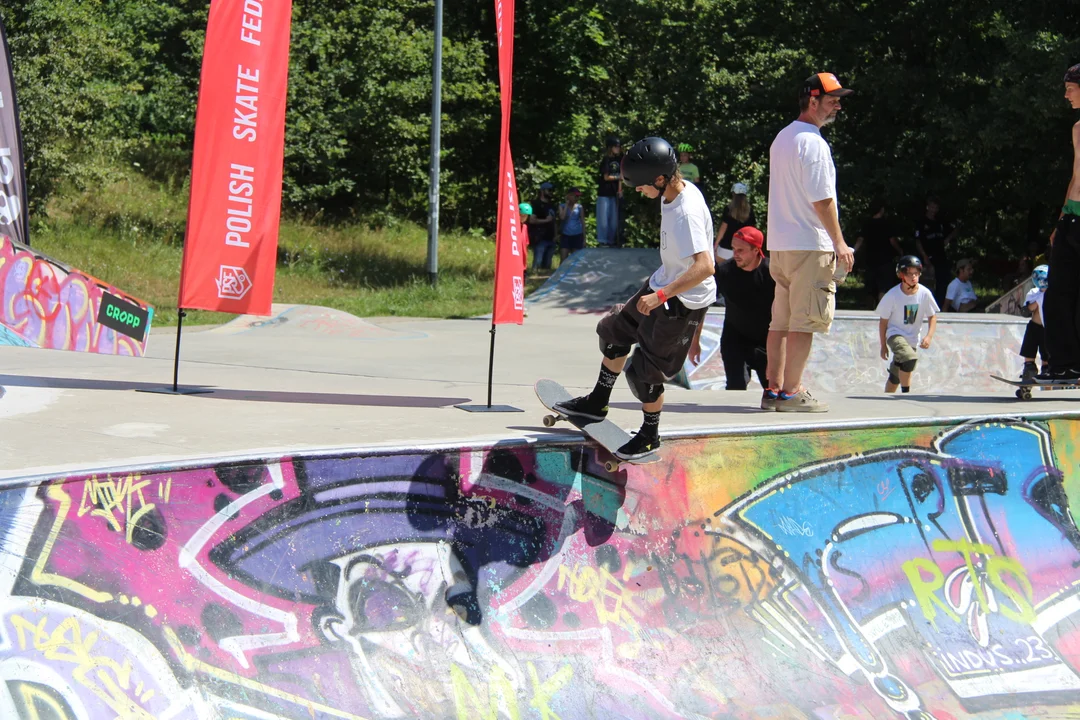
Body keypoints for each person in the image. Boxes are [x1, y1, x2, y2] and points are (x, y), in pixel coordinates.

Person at [553, 137, 715, 460]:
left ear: (658, 179)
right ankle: (597, 402)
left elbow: (706, 267)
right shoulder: (671, 193)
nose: (639, 192)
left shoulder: (687, 212)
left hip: (679, 304)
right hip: (662, 284)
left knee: (643, 373)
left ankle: (649, 434)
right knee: (615, 331)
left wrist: (662, 297)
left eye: (641, 186)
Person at [764, 72, 856, 412]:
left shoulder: (782, 138)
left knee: (781, 322)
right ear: (811, 100)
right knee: (806, 322)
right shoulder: (813, 142)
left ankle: (772, 390)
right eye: (832, 98)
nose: (838, 104)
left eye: (839, 98)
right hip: (809, 244)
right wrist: (840, 242)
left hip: (782, 245)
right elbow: (822, 199)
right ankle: (792, 393)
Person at [1040, 63, 1080, 382]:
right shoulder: (1077, 127)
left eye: (1070, 87)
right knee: (1058, 292)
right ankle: (1064, 362)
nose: (1065, 94)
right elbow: (1076, 177)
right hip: (1072, 220)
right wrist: (1061, 219)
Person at [708, 226, 774, 390]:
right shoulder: (724, 271)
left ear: (756, 250)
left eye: (741, 250)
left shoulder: (772, 273)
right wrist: (694, 341)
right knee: (735, 387)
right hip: (734, 339)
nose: (735, 254)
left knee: (772, 388)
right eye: (733, 249)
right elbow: (704, 302)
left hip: (766, 342)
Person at [875, 255, 938, 393]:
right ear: (901, 275)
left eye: (916, 273)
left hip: (912, 339)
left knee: (896, 375)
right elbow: (883, 322)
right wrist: (883, 345)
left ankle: (886, 399)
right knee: (909, 358)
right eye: (909, 274)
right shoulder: (892, 295)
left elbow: (932, 317)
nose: (913, 277)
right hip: (894, 335)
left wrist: (929, 336)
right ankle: (906, 395)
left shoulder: (924, 293)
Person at [853, 199, 902, 304]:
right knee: (883, 287)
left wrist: (852, 252)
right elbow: (892, 241)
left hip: (870, 259)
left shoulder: (867, 223)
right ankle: (881, 310)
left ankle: (869, 309)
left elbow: (860, 240)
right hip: (885, 259)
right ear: (882, 210)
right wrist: (900, 251)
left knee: (870, 287)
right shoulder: (886, 223)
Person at [914, 196, 960, 304]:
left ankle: (939, 305)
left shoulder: (940, 222)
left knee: (942, 281)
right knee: (925, 282)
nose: (934, 210)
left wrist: (947, 239)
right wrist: (924, 256)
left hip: (940, 255)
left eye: (936, 208)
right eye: (932, 207)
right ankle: (922, 304)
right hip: (927, 256)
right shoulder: (921, 222)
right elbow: (918, 241)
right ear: (927, 207)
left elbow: (954, 231)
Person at [1020, 264, 1050, 382]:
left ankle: (1046, 368)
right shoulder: (1034, 292)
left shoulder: (1052, 293)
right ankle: (1029, 368)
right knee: (1029, 347)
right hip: (1034, 327)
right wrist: (1038, 300)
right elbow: (1026, 311)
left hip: (1047, 328)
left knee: (1046, 352)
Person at [714, 182, 756, 262]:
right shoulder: (750, 211)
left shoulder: (728, 209)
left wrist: (716, 244)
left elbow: (723, 228)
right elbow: (752, 230)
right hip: (743, 248)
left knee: (721, 272)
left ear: (733, 194)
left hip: (726, 247)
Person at [596, 137, 622, 247]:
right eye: (616, 147)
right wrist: (618, 177)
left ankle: (611, 241)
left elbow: (621, 177)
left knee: (613, 220)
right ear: (611, 148)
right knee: (603, 219)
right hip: (604, 193)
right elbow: (606, 177)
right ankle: (602, 241)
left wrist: (620, 190)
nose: (618, 149)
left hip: (614, 193)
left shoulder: (619, 160)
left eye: (619, 147)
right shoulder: (606, 160)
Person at [526, 183, 558, 271]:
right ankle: (534, 277)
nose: (551, 192)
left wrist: (556, 235)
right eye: (549, 190)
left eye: (552, 190)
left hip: (551, 238)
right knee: (538, 263)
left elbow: (554, 221)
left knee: (547, 265)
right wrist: (545, 220)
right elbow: (532, 220)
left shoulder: (552, 205)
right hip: (540, 237)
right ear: (542, 191)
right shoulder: (535, 204)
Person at [558, 188, 586, 262]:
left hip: (577, 234)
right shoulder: (562, 206)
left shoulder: (580, 207)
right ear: (569, 196)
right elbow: (562, 217)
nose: (577, 198)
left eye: (578, 196)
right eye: (575, 196)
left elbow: (582, 222)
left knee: (575, 259)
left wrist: (584, 238)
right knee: (563, 258)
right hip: (565, 235)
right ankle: (561, 273)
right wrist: (566, 205)